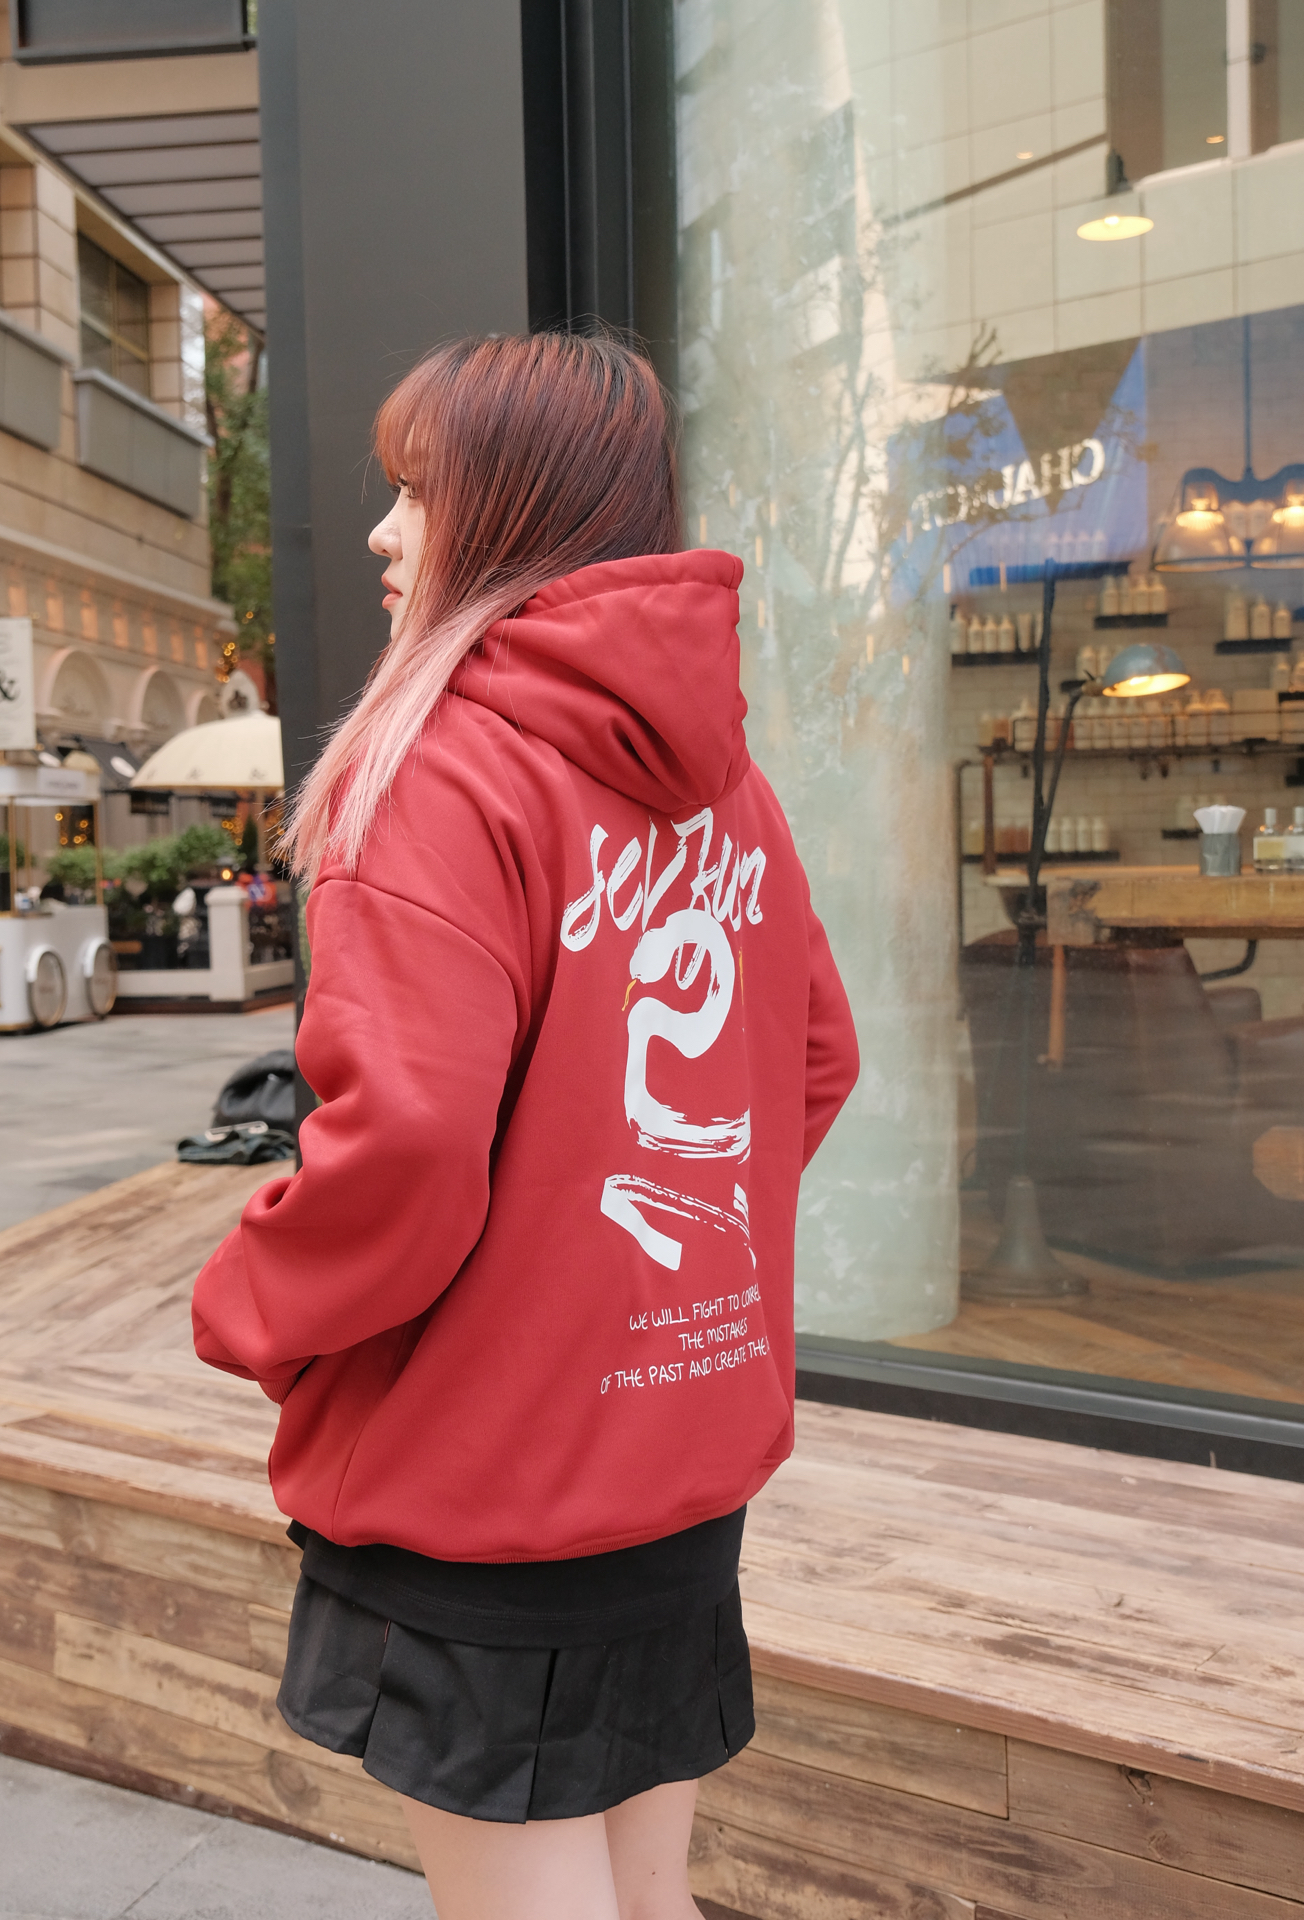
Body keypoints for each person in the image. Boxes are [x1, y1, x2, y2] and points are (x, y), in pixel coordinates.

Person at [192, 332, 858, 1920]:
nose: (382, 531)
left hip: (486, 1492)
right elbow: (814, 1062)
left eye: (419, 492)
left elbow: (406, 1147)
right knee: (646, 1898)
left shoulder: (438, 773)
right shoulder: (724, 784)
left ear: (511, 508)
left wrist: (249, 1305)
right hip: (681, 1449)